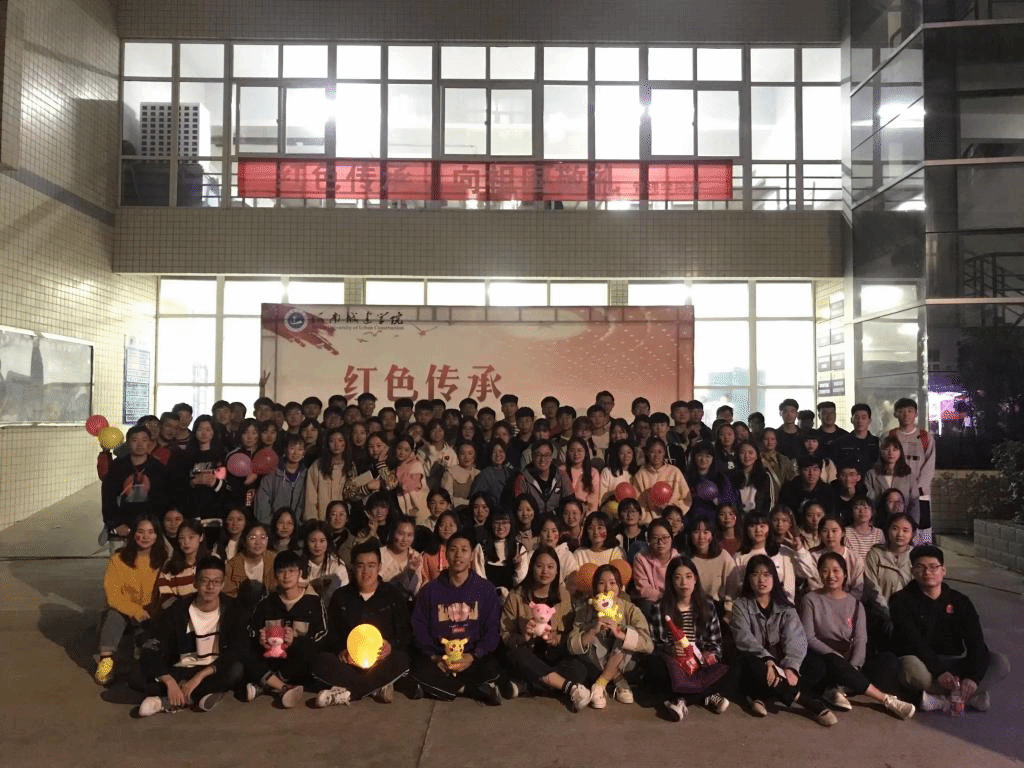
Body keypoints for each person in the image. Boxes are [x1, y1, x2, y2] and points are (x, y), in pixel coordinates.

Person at [890, 545, 1010, 712]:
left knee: (1000, 662)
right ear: (912, 571)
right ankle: (966, 698)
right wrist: (939, 672)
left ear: (944, 570)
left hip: (954, 661)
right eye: (920, 567)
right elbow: (914, 642)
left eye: (933, 567)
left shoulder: (960, 601)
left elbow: (976, 641)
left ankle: (940, 698)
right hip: (922, 662)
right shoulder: (900, 600)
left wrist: (973, 678)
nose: (927, 572)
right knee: (911, 669)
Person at [799, 552, 916, 720]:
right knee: (821, 666)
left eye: (836, 570)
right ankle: (886, 699)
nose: (831, 575)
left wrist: (853, 667)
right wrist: (835, 657)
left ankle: (839, 687)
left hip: (847, 659)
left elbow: (861, 639)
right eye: (825, 571)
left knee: (888, 661)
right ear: (819, 573)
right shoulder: (810, 599)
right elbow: (809, 637)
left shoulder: (855, 604)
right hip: (822, 656)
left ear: (845, 574)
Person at [729, 555, 834, 725]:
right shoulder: (741, 605)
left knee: (817, 666)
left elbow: (796, 639)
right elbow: (744, 639)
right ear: (748, 579)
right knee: (749, 664)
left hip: (782, 661)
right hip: (757, 660)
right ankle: (805, 701)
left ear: (774, 578)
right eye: (755, 574)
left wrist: (790, 667)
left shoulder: (785, 606)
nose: (761, 580)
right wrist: (767, 659)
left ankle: (760, 696)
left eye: (767, 574)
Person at [137, 556, 247, 716]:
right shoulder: (178, 610)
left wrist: (198, 678)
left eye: (216, 582)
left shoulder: (233, 609)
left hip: (212, 669)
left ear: (223, 584)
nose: (210, 587)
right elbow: (155, 644)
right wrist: (169, 681)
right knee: (137, 675)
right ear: (195, 583)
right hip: (181, 669)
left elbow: (236, 650)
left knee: (236, 670)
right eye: (205, 581)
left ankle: (167, 701)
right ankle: (201, 694)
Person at [312, 540, 413, 707]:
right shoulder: (341, 596)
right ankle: (375, 688)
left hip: (381, 661)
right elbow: (332, 633)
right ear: (353, 567)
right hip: (350, 663)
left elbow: (404, 632)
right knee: (320, 661)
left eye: (371, 565)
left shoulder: (392, 595)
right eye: (360, 566)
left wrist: (390, 646)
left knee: (402, 660)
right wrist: (341, 650)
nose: (366, 572)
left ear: (379, 567)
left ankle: (347, 693)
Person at [411, 533, 505, 705]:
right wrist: (435, 658)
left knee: (493, 667)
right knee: (416, 668)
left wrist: (473, 656)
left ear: (472, 555)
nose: (458, 555)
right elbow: (419, 628)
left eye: (464, 550)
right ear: (446, 554)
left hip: (471, 657)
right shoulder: (430, 590)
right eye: (453, 550)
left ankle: (444, 688)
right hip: (440, 657)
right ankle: (469, 689)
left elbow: (493, 630)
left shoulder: (485, 589)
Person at [500, 546, 590, 710]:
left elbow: (572, 633)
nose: (545, 571)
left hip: (553, 656)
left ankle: (526, 686)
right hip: (528, 654)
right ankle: (569, 688)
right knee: (516, 656)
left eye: (550, 567)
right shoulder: (516, 596)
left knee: (580, 670)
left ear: (557, 570)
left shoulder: (563, 595)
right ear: (532, 568)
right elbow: (505, 635)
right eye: (539, 566)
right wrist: (524, 637)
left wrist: (558, 639)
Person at [649, 556, 735, 721]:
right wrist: (671, 649)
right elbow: (655, 644)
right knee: (655, 666)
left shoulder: (707, 606)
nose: (684, 583)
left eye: (688, 577)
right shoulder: (660, 608)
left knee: (730, 665)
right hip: (674, 663)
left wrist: (709, 655)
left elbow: (715, 643)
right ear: (671, 581)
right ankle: (707, 695)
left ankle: (680, 700)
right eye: (678, 577)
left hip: (699, 662)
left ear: (695, 579)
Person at [244, 549, 328, 708]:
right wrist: (260, 639)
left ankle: (266, 684)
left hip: (298, 661)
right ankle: (283, 687)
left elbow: (321, 636)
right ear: (275, 575)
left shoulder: (313, 602)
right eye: (281, 571)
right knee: (243, 652)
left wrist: (295, 642)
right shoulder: (266, 603)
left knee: (313, 655)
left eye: (291, 571)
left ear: (300, 573)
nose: (286, 576)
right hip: (272, 658)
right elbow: (251, 630)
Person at [94, 514, 170, 685]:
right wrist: (135, 611)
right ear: (133, 533)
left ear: (157, 536)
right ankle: (106, 661)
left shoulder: (163, 560)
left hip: (151, 612)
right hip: (126, 611)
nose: (145, 536)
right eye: (140, 531)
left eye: (150, 532)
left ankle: (142, 648)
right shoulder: (118, 559)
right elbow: (113, 595)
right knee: (113, 615)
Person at [567, 564, 654, 708]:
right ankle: (617, 679)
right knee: (590, 634)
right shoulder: (585, 610)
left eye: (612, 583)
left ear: (620, 587)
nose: (607, 588)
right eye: (601, 583)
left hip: (626, 663)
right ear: (595, 587)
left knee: (627, 635)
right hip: (594, 663)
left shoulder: (630, 609)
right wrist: (593, 630)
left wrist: (622, 634)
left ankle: (600, 684)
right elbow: (572, 646)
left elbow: (648, 644)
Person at [729, 510, 817, 607]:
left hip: (783, 607)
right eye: (753, 526)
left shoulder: (783, 552)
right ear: (746, 529)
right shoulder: (740, 557)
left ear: (769, 528)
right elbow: (734, 589)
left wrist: (799, 550)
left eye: (762, 526)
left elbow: (809, 572)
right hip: (751, 608)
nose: (758, 530)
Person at [101, 425, 169, 541]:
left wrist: (155, 524)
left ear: (150, 443)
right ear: (127, 443)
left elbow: (163, 500)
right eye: (135, 440)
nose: (140, 444)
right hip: (123, 527)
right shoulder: (117, 467)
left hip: (150, 528)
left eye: (144, 440)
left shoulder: (158, 468)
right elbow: (108, 498)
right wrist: (115, 524)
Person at [889, 398, 936, 544]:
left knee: (923, 524)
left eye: (910, 411)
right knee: (897, 523)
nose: (906, 415)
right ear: (895, 414)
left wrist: (919, 486)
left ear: (916, 414)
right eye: (902, 411)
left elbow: (929, 465)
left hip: (921, 491)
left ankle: (925, 548)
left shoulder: (926, 437)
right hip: (898, 489)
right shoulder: (890, 436)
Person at [863, 513, 916, 638]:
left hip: (910, 616)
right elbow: (871, 587)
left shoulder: (916, 556)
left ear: (912, 534)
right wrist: (888, 613)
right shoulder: (875, 554)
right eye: (895, 528)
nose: (900, 534)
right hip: (879, 615)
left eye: (905, 530)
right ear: (887, 530)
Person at [171, 415, 228, 521]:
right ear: (195, 432)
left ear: (213, 432)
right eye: (200, 429)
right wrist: (194, 482)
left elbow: (226, 487)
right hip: (192, 510)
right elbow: (179, 485)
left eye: (208, 429)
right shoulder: (185, 457)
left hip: (216, 510)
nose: (204, 433)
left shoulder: (221, 455)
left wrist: (213, 482)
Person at [865, 435, 919, 532]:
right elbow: (869, 501)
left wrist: (913, 524)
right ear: (881, 451)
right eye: (886, 449)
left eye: (895, 449)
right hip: (878, 522)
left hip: (903, 522)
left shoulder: (908, 475)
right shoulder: (871, 474)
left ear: (900, 452)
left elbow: (914, 502)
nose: (891, 453)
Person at [684, 511, 736, 611]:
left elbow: (733, 588)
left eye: (706, 532)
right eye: (696, 532)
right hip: (692, 607)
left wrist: (728, 610)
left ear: (712, 535)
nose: (701, 537)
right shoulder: (686, 559)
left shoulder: (723, 556)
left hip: (719, 608)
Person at [633, 437, 691, 523]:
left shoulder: (674, 472)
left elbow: (687, 499)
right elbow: (638, 502)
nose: (656, 456)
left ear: (664, 453)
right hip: (649, 523)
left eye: (660, 452)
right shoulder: (640, 474)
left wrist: (671, 510)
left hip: (673, 521)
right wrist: (648, 520)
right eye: (652, 452)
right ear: (647, 453)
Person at [473, 507, 529, 597]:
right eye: (497, 522)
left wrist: (517, 567)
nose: (500, 527)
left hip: (513, 599)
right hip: (488, 598)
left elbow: (522, 583)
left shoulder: (519, 548)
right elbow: (479, 580)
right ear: (491, 524)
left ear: (511, 524)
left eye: (505, 523)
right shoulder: (481, 548)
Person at [155, 518, 209, 608]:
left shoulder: (211, 561)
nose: (186, 542)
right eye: (181, 538)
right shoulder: (169, 567)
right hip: (180, 613)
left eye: (191, 537)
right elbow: (165, 599)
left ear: (201, 537)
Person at [512, 439, 574, 516]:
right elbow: (519, 506)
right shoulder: (523, 478)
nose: (542, 459)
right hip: (532, 520)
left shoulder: (561, 475)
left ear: (551, 457)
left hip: (557, 520)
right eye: (538, 455)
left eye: (547, 455)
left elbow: (570, 501)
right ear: (532, 456)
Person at [809, 516, 866, 599]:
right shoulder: (813, 557)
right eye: (825, 531)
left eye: (834, 531)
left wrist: (845, 602)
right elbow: (814, 586)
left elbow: (858, 588)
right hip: (821, 601)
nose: (830, 535)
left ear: (843, 533)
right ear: (820, 534)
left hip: (849, 602)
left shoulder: (855, 559)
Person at [255, 435, 307, 524]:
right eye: (292, 448)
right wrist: (270, 522)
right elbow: (262, 499)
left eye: (300, 449)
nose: (295, 453)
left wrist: (295, 523)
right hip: (272, 523)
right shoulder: (273, 472)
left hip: (297, 525)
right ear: (285, 450)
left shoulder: (306, 474)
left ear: (304, 453)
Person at [223, 522, 277, 603]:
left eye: (262, 537)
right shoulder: (232, 565)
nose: (258, 542)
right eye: (253, 538)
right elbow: (228, 595)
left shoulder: (274, 559)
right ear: (245, 541)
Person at [631, 519, 679, 608]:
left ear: (671, 538)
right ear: (648, 540)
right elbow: (644, 589)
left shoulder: (678, 559)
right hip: (652, 601)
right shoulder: (641, 558)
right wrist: (665, 598)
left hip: (675, 600)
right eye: (655, 538)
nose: (660, 542)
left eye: (665, 537)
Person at [300, 521, 350, 605]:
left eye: (322, 541)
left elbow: (343, 593)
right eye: (313, 541)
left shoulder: (337, 565)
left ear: (328, 542)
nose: (317, 545)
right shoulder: (299, 563)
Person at [305, 427, 349, 521]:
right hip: (321, 519)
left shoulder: (349, 466)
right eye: (332, 441)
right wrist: (312, 520)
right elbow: (310, 497)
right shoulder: (317, 466)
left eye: (340, 440)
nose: (336, 445)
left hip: (342, 519)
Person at [685, 443, 738, 517]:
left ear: (713, 459)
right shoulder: (687, 478)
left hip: (715, 517)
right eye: (700, 455)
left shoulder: (721, 478)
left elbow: (729, 500)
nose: (703, 459)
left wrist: (717, 500)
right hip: (692, 517)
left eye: (707, 456)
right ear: (694, 457)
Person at [379, 515, 424, 599]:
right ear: (392, 533)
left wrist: (411, 572)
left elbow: (416, 590)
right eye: (401, 534)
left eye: (409, 535)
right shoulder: (380, 554)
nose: (405, 539)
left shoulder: (416, 556)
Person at [831, 403, 880, 476]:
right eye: (857, 417)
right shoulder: (840, 443)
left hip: (871, 480)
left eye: (863, 418)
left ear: (869, 420)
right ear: (851, 420)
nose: (860, 421)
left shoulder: (877, 442)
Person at [393, 434, 429, 524]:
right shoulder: (397, 465)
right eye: (399, 448)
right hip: (403, 505)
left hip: (417, 505)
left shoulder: (416, 464)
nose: (402, 452)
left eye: (406, 450)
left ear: (411, 451)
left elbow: (406, 485)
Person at [731, 440, 773, 516]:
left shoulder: (764, 476)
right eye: (742, 453)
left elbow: (768, 501)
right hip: (737, 517)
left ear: (756, 455)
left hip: (758, 517)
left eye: (750, 453)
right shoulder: (731, 476)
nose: (746, 456)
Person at [421, 510, 460, 584]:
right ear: (437, 527)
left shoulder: (464, 553)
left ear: (457, 527)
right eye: (443, 525)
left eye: (451, 525)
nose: (447, 528)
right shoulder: (429, 554)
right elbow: (424, 582)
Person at [469, 439, 514, 503]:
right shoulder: (485, 474)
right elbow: (475, 497)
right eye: (494, 452)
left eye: (501, 451)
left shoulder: (509, 472)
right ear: (490, 455)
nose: (497, 455)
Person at [565, 436, 601, 513]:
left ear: (586, 453)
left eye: (579, 450)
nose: (576, 454)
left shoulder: (593, 472)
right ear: (567, 452)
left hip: (586, 513)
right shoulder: (562, 470)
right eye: (572, 450)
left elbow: (593, 501)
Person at [599, 439, 638, 506]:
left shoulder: (636, 473)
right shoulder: (607, 472)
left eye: (629, 452)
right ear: (616, 454)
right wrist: (614, 493)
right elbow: (601, 499)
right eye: (622, 453)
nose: (626, 456)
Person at [844, 495, 884, 561]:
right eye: (857, 508)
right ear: (851, 512)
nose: (862, 511)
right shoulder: (846, 532)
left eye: (866, 508)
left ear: (872, 512)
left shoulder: (878, 533)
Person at [442, 440, 480, 508]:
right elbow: (446, 498)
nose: (466, 457)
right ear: (458, 455)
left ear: (474, 456)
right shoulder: (450, 472)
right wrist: (468, 503)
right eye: (462, 453)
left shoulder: (479, 474)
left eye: (470, 453)